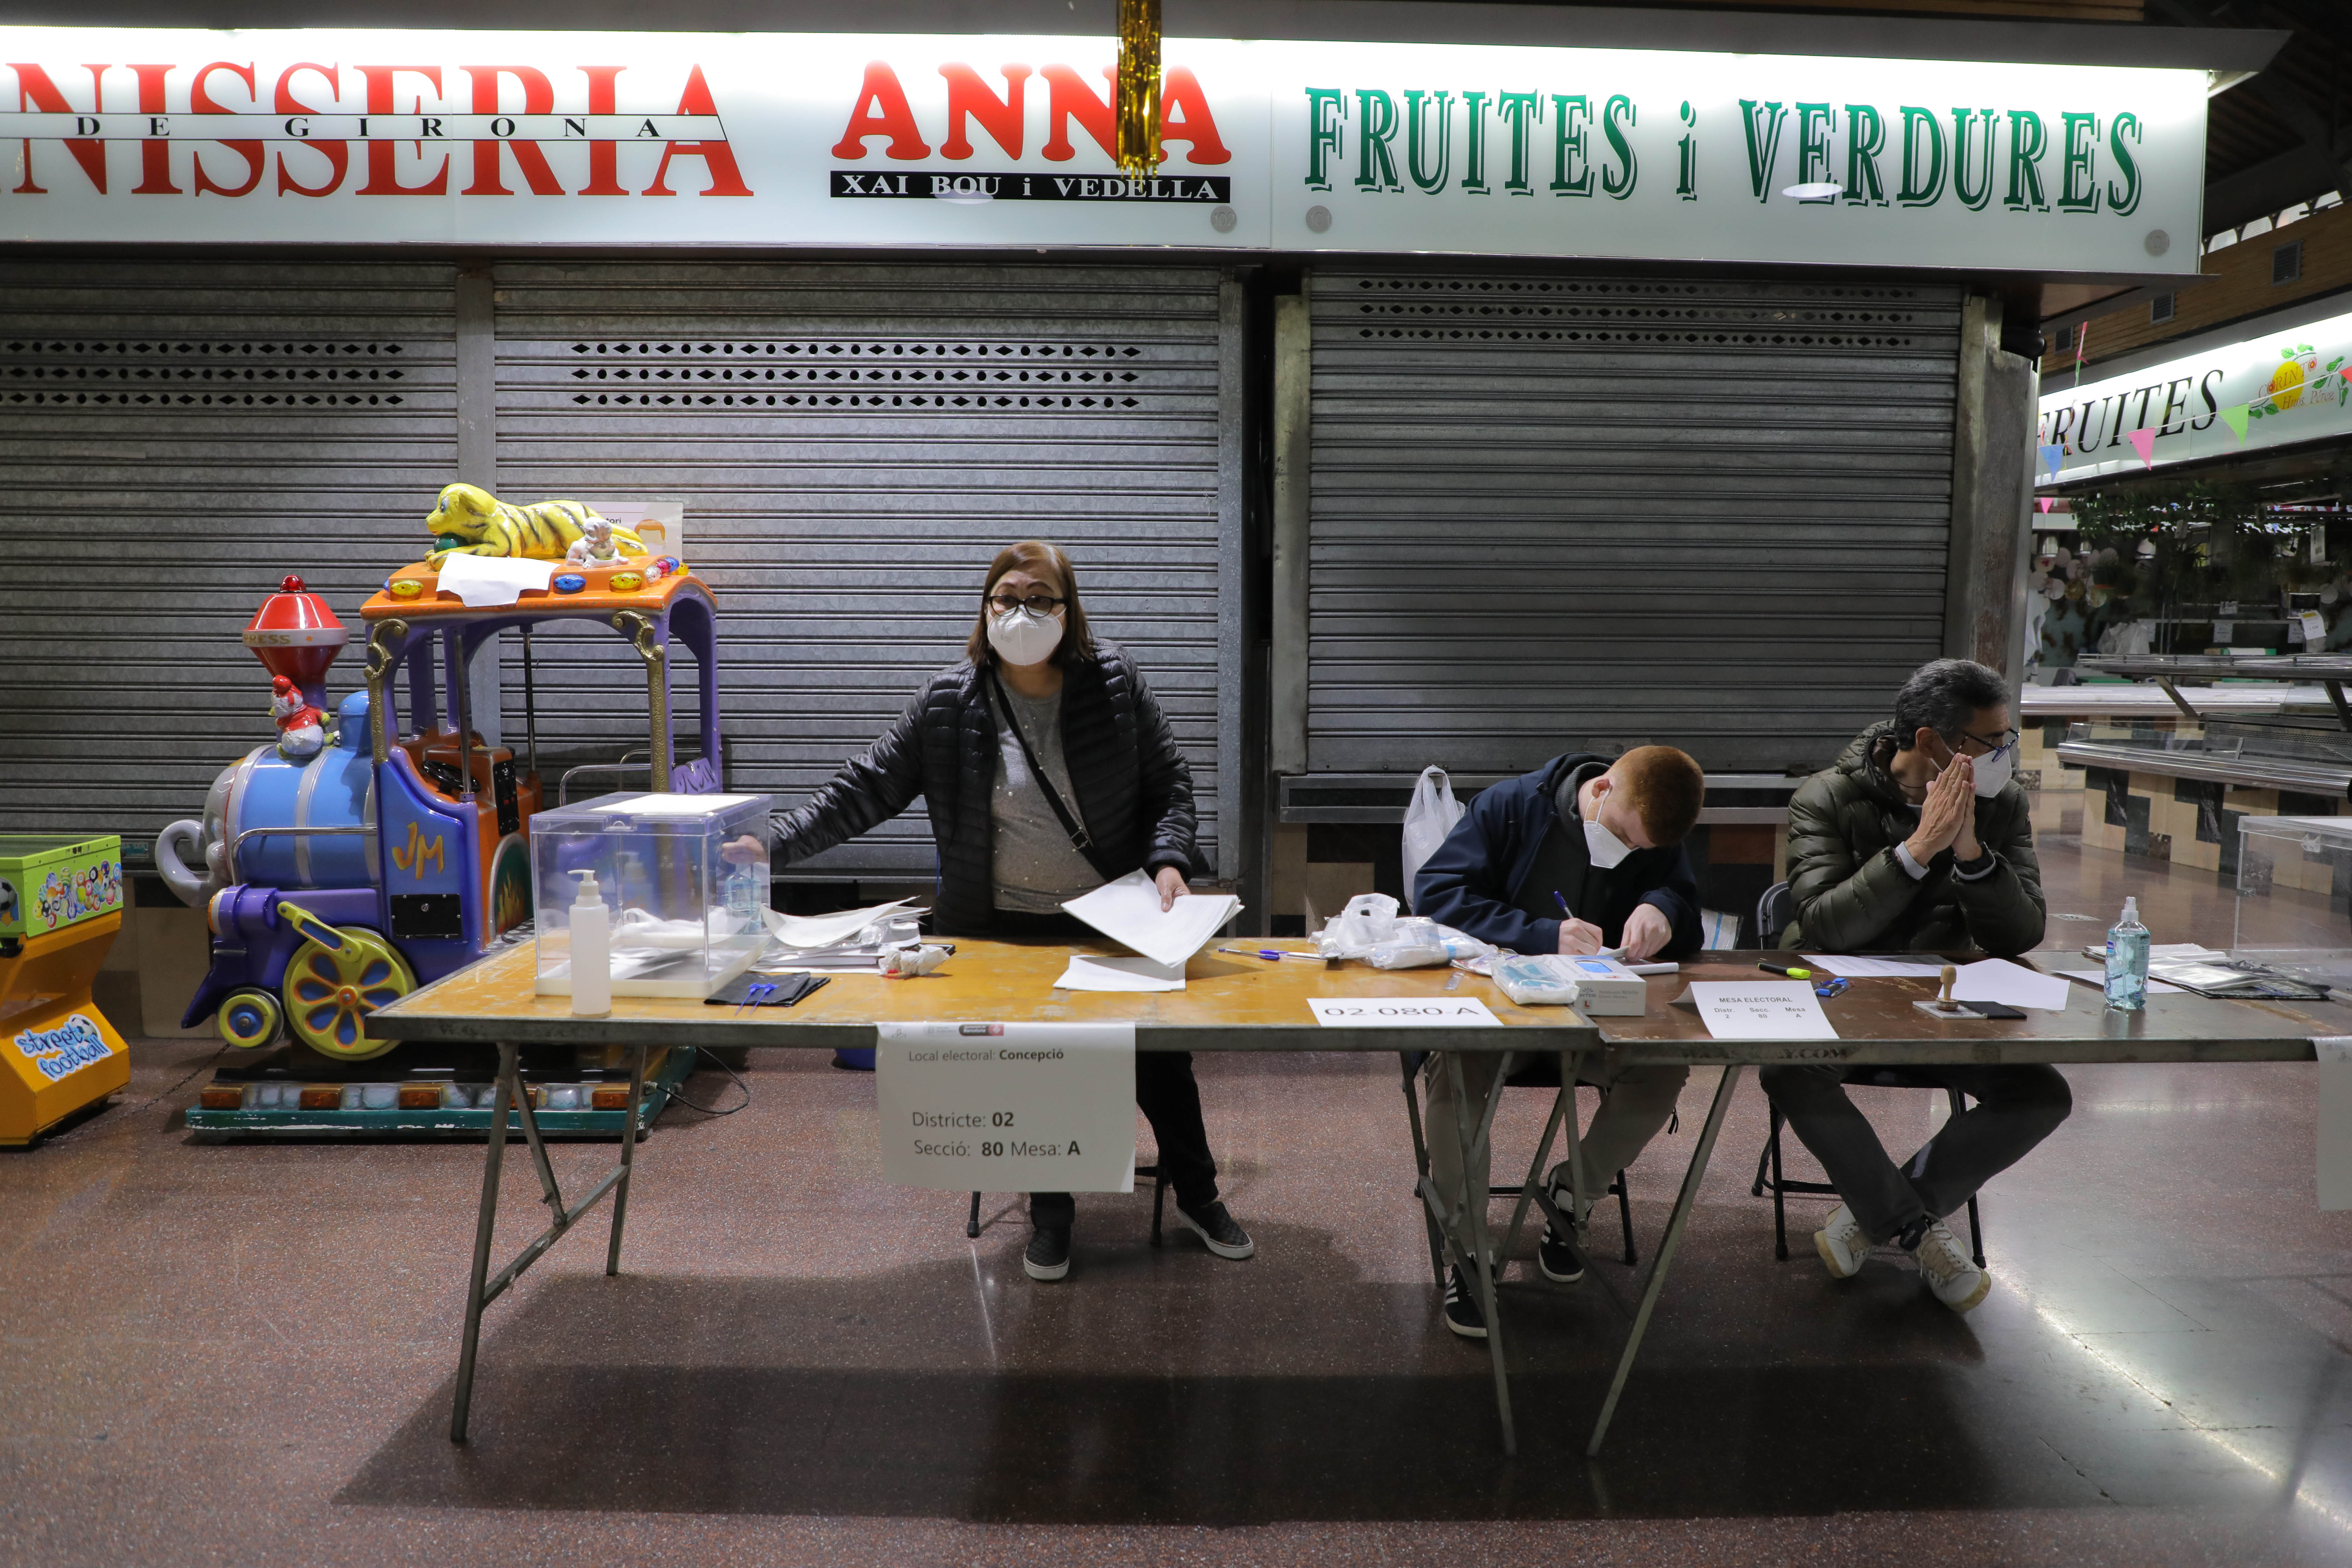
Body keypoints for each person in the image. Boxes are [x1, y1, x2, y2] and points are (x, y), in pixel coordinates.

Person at [753, 540, 1252, 1283]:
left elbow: (1169, 781)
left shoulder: (1114, 684)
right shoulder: (949, 702)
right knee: (1035, 1065)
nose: (1022, 613)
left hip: (1111, 920)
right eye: (1006, 598)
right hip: (998, 928)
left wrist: (1171, 860)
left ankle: (1200, 1193)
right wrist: (769, 845)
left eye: (1041, 598)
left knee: (1161, 1061)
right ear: (985, 609)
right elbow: (862, 791)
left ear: (1069, 607)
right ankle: (1052, 1216)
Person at [1765, 656, 2069, 1314]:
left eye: (2008, 739)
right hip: (1842, 1007)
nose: (2006, 757)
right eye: (1993, 742)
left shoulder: (2001, 804)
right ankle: (1913, 1231)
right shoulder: (1828, 797)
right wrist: (1916, 851)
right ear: (1932, 741)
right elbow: (1822, 927)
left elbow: (2022, 933)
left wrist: (1972, 855)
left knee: (2042, 1093)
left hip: (1945, 1008)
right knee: (1788, 1070)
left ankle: (1877, 1215)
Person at [1412, 745, 1706, 1339]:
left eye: (1644, 850)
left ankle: (1574, 1193)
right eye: (1625, 837)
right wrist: (1541, 933)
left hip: (1601, 1019)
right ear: (1601, 791)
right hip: (1499, 1014)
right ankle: (1468, 1252)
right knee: (1456, 1074)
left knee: (1665, 1069)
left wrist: (1662, 909)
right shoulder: (1511, 808)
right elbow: (1437, 898)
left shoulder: (1653, 828)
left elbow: (1687, 909)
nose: (1631, 853)